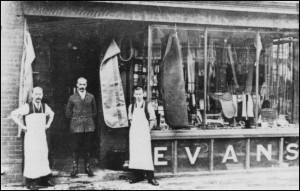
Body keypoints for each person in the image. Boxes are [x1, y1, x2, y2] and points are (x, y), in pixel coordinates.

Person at [11, 87, 55, 190]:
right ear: (32, 95)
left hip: (41, 136)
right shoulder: (27, 107)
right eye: (36, 94)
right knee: (32, 157)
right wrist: (22, 127)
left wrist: (48, 124)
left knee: (43, 156)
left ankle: (45, 180)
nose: (38, 96)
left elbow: (52, 114)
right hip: (31, 137)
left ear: (42, 95)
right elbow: (13, 114)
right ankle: (30, 182)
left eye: (40, 94)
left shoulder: (45, 107)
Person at [65, 77, 97, 177]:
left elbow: (94, 112)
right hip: (76, 126)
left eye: (84, 84)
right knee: (76, 147)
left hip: (88, 126)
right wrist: (76, 119)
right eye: (80, 84)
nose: (82, 86)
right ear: (77, 85)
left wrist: (87, 119)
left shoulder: (91, 97)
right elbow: (67, 113)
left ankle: (88, 168)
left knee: (87, 147)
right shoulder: (72, 98)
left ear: (86, 85)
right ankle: (75, 169)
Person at [128, 86, 159, 186]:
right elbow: (130, 120)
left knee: (146, 155)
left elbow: (153, 120)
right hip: (134, 134)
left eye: (140, 94)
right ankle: (138, 176)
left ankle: (151, 178)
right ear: (134, 95)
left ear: (143, 94)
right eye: (136, 94)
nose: (138, 96)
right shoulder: (131, 107)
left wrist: (147, 130)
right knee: (136, 155)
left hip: (144, 134)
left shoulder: (148, 106)